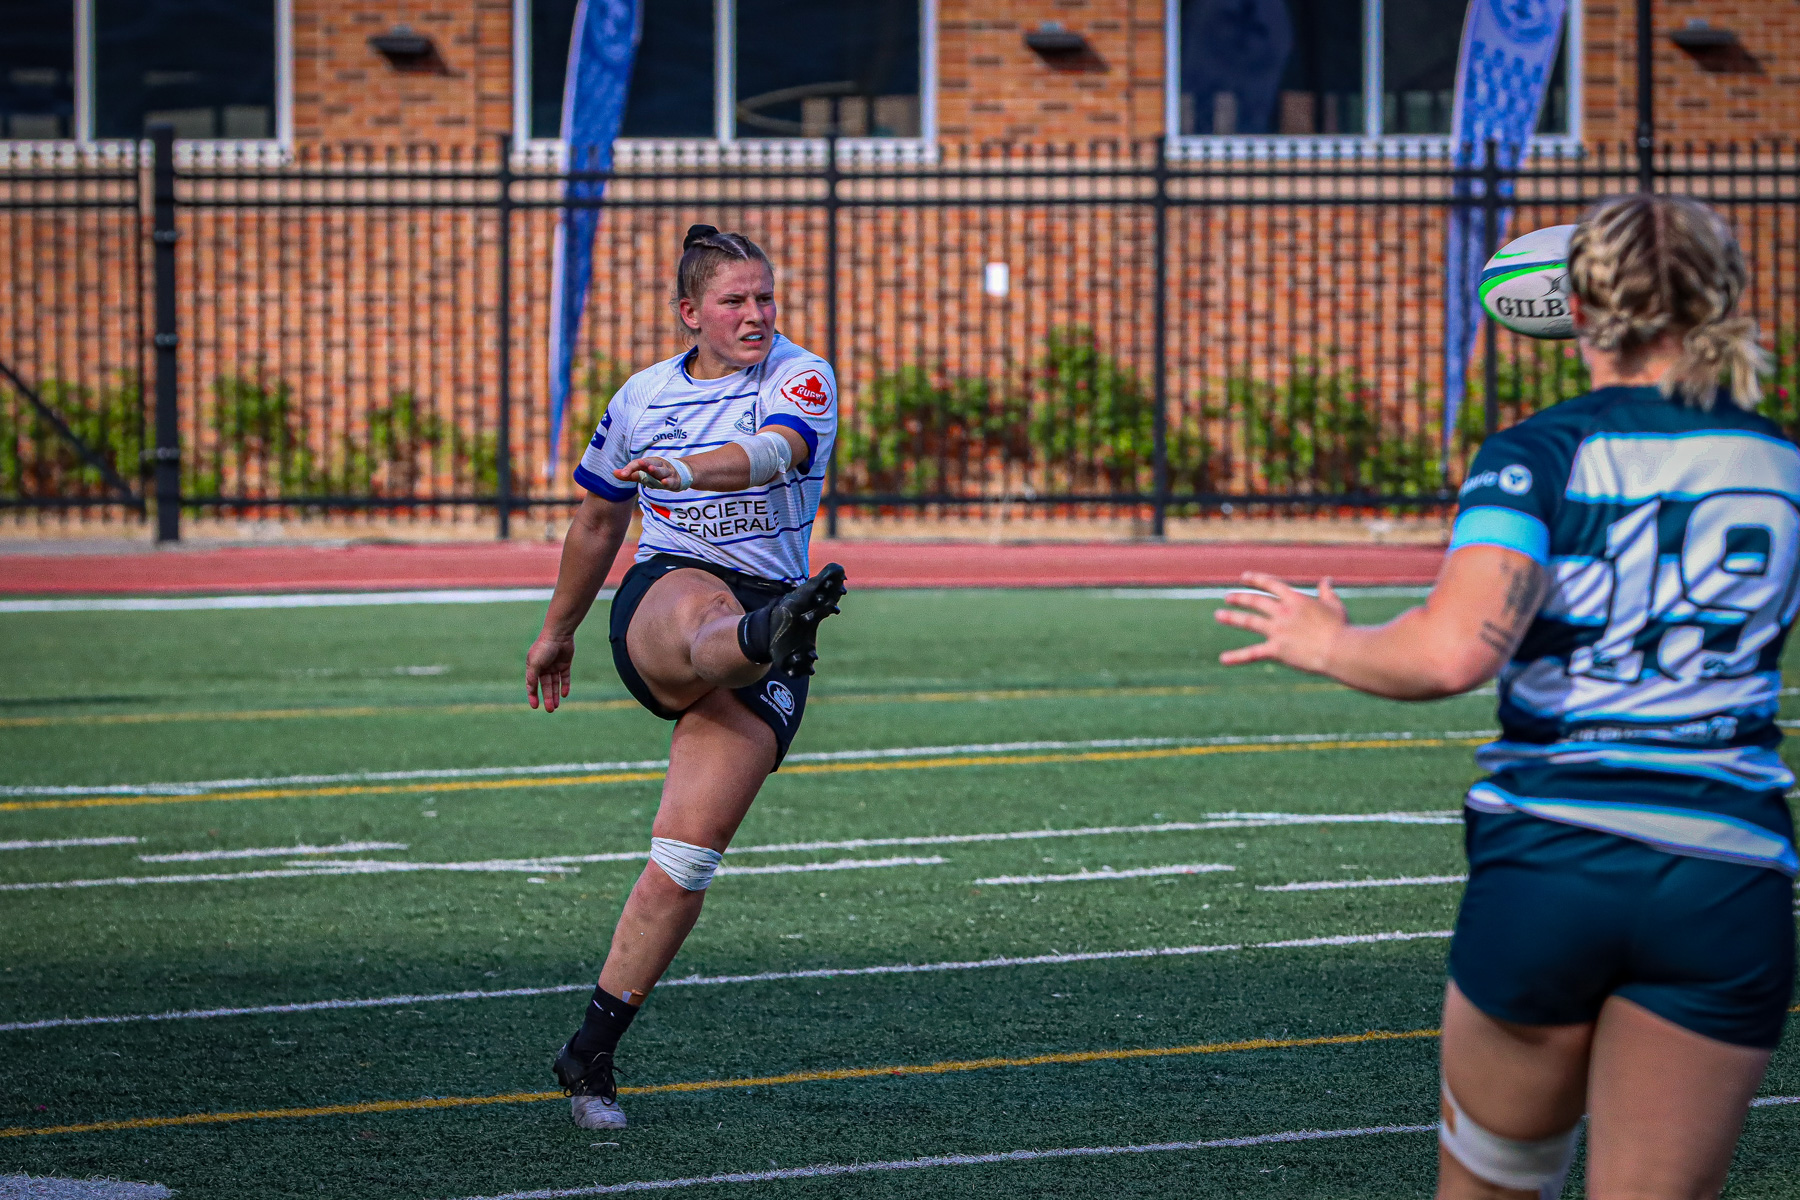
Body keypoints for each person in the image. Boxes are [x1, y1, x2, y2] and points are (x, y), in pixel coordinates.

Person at [1216, 195, 1793, 1199]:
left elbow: (1449, 656)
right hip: (1725, 875)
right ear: (1722, 300)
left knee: (1493, 1186)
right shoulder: (1782, 463)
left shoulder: (1539, 453)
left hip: (1554, 862)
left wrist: (1328, 641)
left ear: (1574, 304)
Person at [525, 224, 847, 1131]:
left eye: (765, 297)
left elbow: (777, 451)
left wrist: (686, 468)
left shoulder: (800, 374)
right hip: (671, 593)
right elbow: (596, 527)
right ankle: (767, 632)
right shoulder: (642, 396)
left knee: (686, 858)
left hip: (769, 603)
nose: (756, 314)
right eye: (736, 300)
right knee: (708, 617)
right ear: (690, 313)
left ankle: (589, 1054)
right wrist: (557, 631)